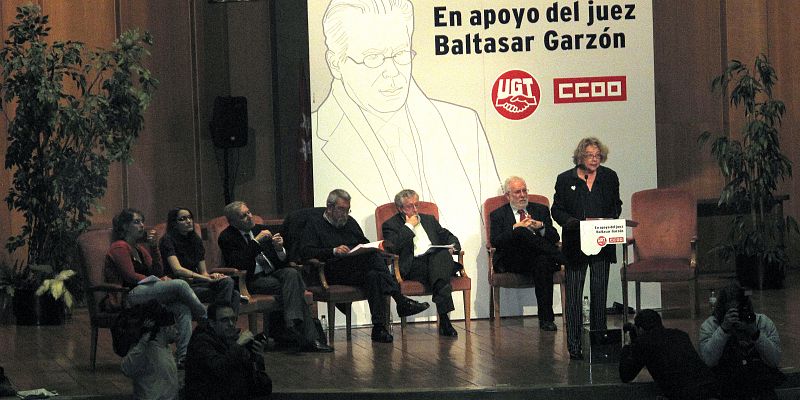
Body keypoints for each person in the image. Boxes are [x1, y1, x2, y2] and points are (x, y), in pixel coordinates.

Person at [311, 0, 500, 218]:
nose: (391, 71)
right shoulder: (315, 136)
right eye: (373, 58)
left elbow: (492, 221)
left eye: (401, 54)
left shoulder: (464, 125)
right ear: (336, 63)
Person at [300, 189, 430, 343]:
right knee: (374, 260)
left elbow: (364, 243)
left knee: (374, 275)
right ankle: (400, 300)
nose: (345, 214)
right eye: (341, 209)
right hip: (330, 269)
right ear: (329, 207)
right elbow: (305, 252)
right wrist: (333, 251)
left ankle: (378, 328)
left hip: (355, 268)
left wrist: (369, 247)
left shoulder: (350, 222)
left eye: (347, 210)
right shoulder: (315, 225)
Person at [217, 201, 332, 352]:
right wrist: (255, 241)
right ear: (233, 221)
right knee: (297, 286)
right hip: (251, 280)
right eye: (243, 216)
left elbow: (281, 261)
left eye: (249, 212)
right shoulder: (227, 237)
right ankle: (308, 337)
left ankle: (292, 323)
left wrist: (279, 249)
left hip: (273, 274)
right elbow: (240, 264)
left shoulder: (260, 229)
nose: (249, 217)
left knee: (292, 273)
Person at [104, 208, 207, 368]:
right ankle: (206, 318)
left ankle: (183, 357)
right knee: (180, 284)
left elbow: (157, 271)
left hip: (147, 292)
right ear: (124, 226)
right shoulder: (119, 247)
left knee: (182, 308)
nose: (142, 226)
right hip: (129, 295)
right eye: (137, 222)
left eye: (142, 222)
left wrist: (154, 248)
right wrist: (155, 281)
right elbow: (130, 276)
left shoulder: (139, 248)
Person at [551, 137, 622, 360]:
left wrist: (609, 220)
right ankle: (574, 345)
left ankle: (599, 343)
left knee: (599, 293)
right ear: (580, 157)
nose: (594, 159)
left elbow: (616, 205)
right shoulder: (565, 179)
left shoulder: (609, 177)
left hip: (602, 241)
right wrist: (571, 222)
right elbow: (557, 210)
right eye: (590, 155)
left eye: (598, 156)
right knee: (573, 295)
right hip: (575, 242)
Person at [381, 189, 461, 337]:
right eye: (410, 206)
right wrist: (409, 226)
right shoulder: (390, 225)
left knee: (441, 255)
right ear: (400, 208)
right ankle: (444, 320)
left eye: (417, 205)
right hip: (414, 266)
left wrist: (452, 246)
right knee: (440, 271)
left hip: (437, 260)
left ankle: (444, 320)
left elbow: (449, 236)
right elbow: (392, 247)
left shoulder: (429, 219)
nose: (415, 209)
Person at [489, 176, 563, 332]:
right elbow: (495, 241)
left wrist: (540, 226)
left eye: (524, 191)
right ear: (508, 195)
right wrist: (515, 228)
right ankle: (560, 257)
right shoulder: (498, 214)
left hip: (538, 259)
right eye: (517, 192)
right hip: (514, 260)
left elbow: (555, 237)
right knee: (521, 231)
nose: (522, 195)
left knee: (542, 262)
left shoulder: (540, 210)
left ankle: (546, 320)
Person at [699, 283, 785, 399]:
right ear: (723, 310)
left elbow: (774, 360)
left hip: (759, 388)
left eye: (741, 310)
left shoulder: (762, 323)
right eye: (733, 312)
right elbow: (709, 360)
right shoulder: (710, 326)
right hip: (726, 389)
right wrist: (724, 329)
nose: (738, 316)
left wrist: (756, 334)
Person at [619, 309, 718, 399]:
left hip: (686, 394)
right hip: (710, 387)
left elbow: (626, 375)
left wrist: (629, 344)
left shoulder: (643, 343)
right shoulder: (680, 335)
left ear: (640, 329)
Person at [159, 207, 240, 314]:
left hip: (197, 282)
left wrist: (213, 276)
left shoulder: (195, 240)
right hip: (180, 285)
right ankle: (216, 325)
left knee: (229, 283)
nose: (188, 221)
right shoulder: (167, 240)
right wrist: (206, 279)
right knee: (232, 295)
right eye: (182, 219)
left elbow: (203, 272)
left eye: (190, 218)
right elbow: (177, 270)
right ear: (174, 223)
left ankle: (221, 326)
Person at [185, 302, 272, 400]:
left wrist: (257, 357)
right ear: (212, 323)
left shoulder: (232, 339)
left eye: (232, 319)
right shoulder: (201, 342)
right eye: (224, 320)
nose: (231, 324)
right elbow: (220, 368)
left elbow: (263, 386)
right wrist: (238, 345)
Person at [121, 300, 180, 400]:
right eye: (173, 327)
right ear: (164, 329)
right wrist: (143, 343)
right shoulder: (145, 348)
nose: (177, 331)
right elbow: (126, 368)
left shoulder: (165, 347)